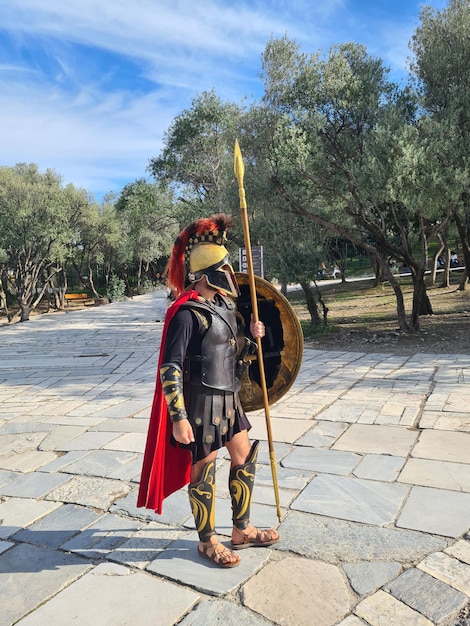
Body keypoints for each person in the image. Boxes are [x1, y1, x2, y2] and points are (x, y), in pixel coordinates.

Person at [137, 214, 279, 568]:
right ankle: (207, 541)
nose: (229, 274)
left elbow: (236, 352)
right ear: (207, 274)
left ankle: (241, 530)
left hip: (230, 399)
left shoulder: (225, 307)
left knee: (244, 458)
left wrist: (252, 334)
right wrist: (178, 417)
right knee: (204, 473)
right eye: (223, 268)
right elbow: (169, 367)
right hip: (202, 404)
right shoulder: (186, 315)